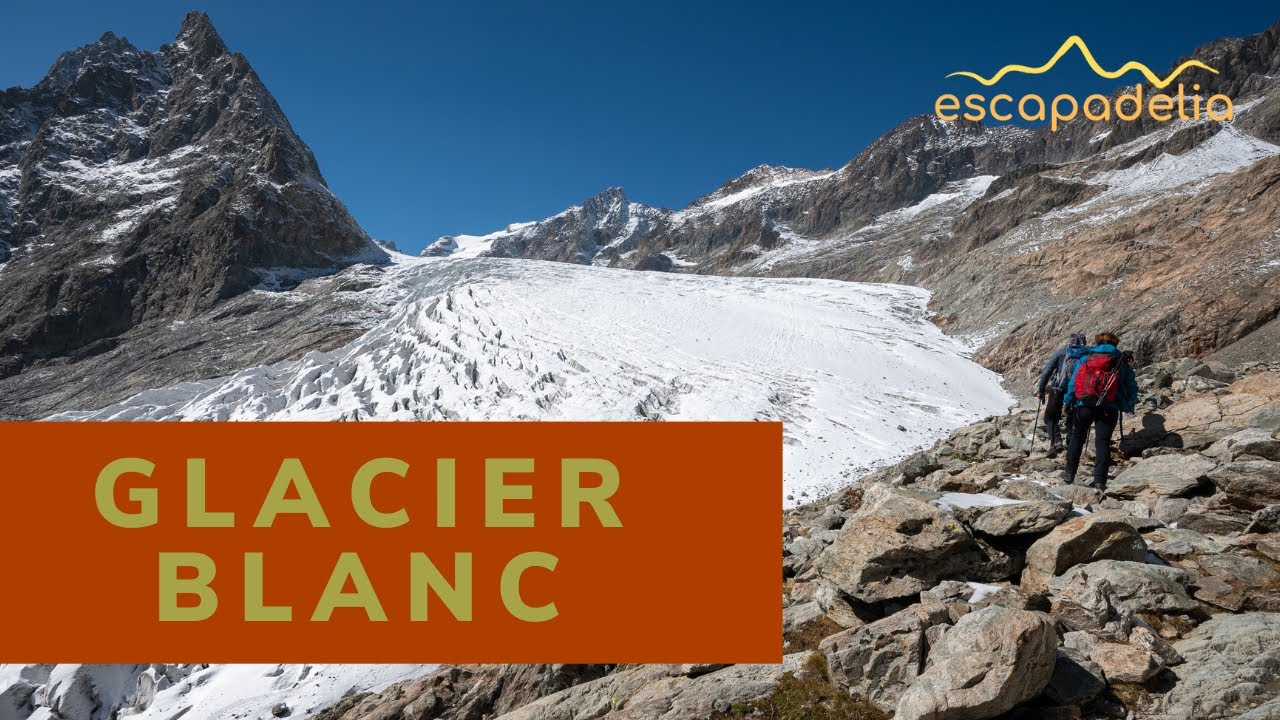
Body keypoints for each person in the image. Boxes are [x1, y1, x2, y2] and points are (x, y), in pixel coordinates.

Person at [1062, 332, 1138, 488]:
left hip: (1084, 405)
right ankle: (1099, 481)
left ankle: (1069, 474)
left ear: (1097, 343)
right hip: (1109, 407)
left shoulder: (1086, 359)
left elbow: (1074, 382)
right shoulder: (1120, 361)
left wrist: (1068, 401)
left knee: (1077, 437)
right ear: (1115, 344)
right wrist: (1130, 403)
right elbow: (1131, 385)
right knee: (1102, 442)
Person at [1035, 333, 1088, 454]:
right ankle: (1071, 445)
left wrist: (1041, 390)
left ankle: (1056, 442)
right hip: (1078, 391)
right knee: (1072, 418)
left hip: (1058, 389)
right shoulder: (1088, 354)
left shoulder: (1062, 352)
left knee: (1050, 417)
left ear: (1070, 341)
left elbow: (1047, 371)